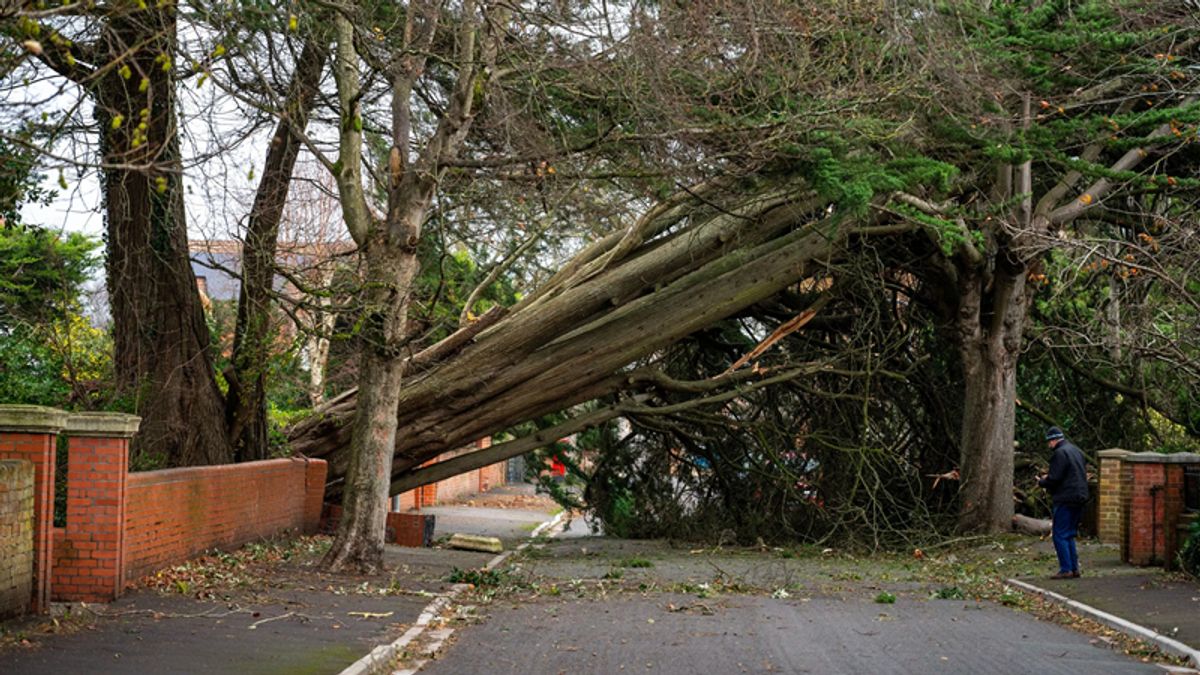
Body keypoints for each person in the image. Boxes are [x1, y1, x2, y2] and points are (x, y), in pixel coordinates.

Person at [1038, 426, 1089, 579]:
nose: (1049, 446)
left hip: (1065, 497)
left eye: (1049, 442)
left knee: (1059, 534)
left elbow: (1055, 479)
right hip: (1080, 496)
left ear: (1053, 440)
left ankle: (1066, 568)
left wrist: (1042, 482)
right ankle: (1074, 568)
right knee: (1070, 534)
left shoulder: (1059, 454)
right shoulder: (1076, 451)